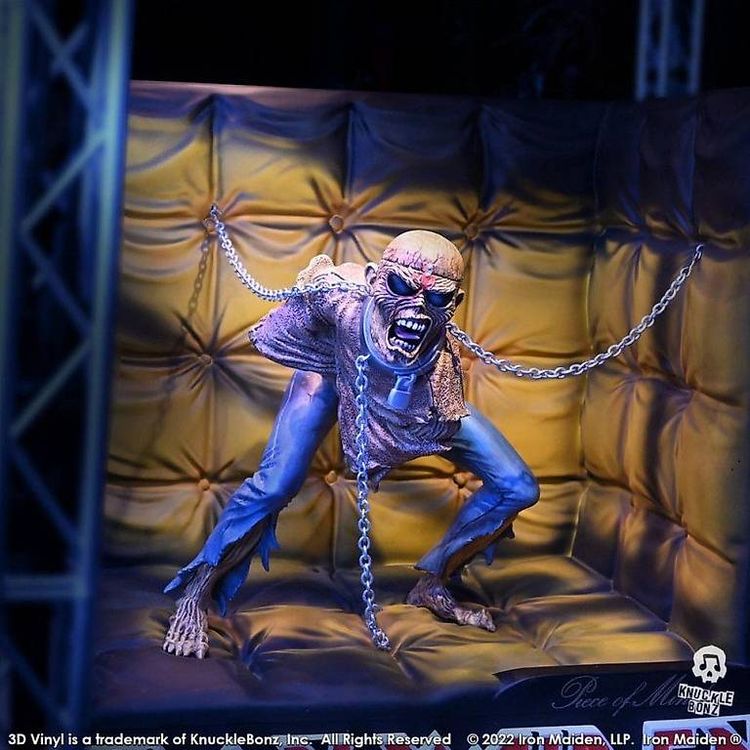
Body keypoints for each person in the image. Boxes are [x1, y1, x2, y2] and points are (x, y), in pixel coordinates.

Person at [163, 230, 539, 658]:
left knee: (517, 486)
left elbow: (438, 392)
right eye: (400, 286)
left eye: (436, 298)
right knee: (277, 483)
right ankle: (196, 591)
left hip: (409, 393)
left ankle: (434, 582)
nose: (417, 309)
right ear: (376, 278)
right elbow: (287, 323)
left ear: (455, 302)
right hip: (331, 370)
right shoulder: (339, 298)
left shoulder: (440, 366)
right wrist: (315, 345)